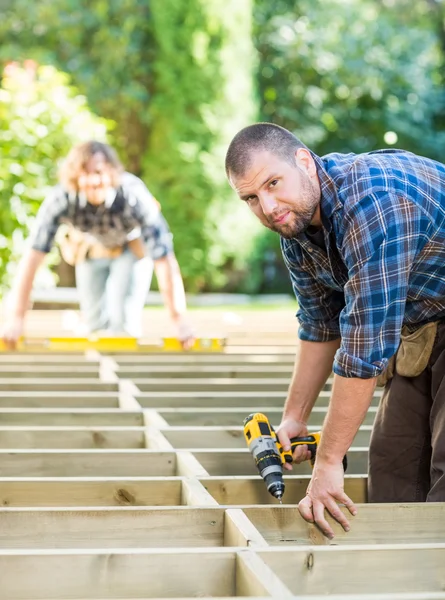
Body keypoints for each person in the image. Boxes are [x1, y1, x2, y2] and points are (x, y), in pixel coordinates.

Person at [225, 122, 445, 538]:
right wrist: (295, 418)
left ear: (304, 162)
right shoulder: (295, 228)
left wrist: (327, 463)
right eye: (251, 198)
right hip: (423, 318)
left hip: (420, 314)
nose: (268, 207)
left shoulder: (374, 205)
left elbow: (363, 349)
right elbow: (320, 325)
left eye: (274, 183)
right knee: (393, 465)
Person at [2, 140, 194, 347]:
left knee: (123, 321)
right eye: (85, 173)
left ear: (112, 172)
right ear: (75, 176)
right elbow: (33, 257)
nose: (93, 180)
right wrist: (16, 319)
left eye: (99, 172)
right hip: (90, 249)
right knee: (94, 325)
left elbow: (164, 258)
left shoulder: (134, 195)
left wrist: (179, 320)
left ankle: (125, 364)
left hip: (131, 248)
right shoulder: (61, 198)